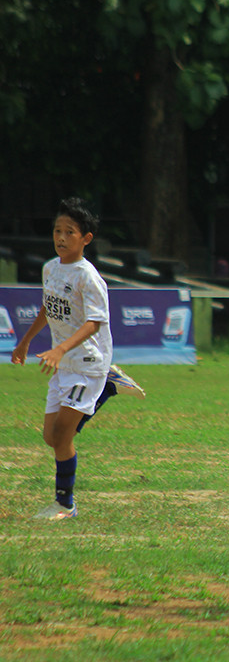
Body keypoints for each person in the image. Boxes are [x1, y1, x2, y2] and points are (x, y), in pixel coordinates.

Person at [10, 198, 143, 520]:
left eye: (70, 232)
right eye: (57, 230)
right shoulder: (50, 268)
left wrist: (59, 349)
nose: (61, 237)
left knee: (62, 436)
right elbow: (49, 306)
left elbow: (94, 323)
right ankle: (110, 386)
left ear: (86, 239)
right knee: (50, 437)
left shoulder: (88, 277)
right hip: (64, 365)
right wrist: (25, 341)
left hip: (87, 364)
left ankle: (65, 505)